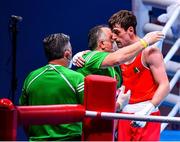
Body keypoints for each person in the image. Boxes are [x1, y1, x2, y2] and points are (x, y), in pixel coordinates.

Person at [108, 10, 170, 141]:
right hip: (124, 116)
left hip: (147, 115)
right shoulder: (119, 55)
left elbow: (165, 85)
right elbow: (98, 53)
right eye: (112, 32)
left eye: (117, 32)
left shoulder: (149, 52)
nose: (113, 37)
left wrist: (147, 110)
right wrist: (81, 55)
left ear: (130, 30)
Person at [73, 24, 164, 110]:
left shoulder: (115, 67)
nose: (116, 41)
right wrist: (145, 41)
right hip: (86, 117)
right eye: (112, 40)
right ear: (102, 44)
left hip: (106, 117)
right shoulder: (90, 57)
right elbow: (118, 58)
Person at [19, 33, 85, 141]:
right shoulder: (76, 78)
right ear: (67, 54)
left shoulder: (30, 78)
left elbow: (23, 115)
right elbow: (91, 113)